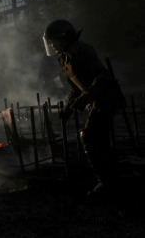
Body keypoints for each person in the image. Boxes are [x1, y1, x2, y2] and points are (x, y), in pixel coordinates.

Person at [43, 19, 121, 201]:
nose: (51, 45)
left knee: (88, 136)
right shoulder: (64, 57)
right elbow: (74, 88)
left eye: (54, 40)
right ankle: (111, 178)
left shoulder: (82, 51)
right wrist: (68, 108)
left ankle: (106, 182)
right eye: (50, 41)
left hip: (106, 98)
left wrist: (85, 98)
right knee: (98, 140)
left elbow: (102, 78)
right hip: (95, 100)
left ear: (65, 38)